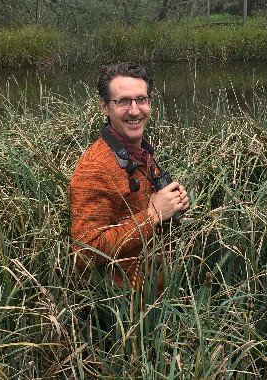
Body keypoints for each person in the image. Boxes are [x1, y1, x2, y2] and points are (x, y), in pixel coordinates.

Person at [70, 62, 190, 294]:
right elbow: (84, 253)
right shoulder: (94, 168)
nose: (135, 110)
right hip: (124, 311)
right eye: (123, 101)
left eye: (141, 100)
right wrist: (151, 216)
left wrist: (173, 204)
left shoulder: (140, 153)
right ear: (105, 107)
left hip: (158, 297)